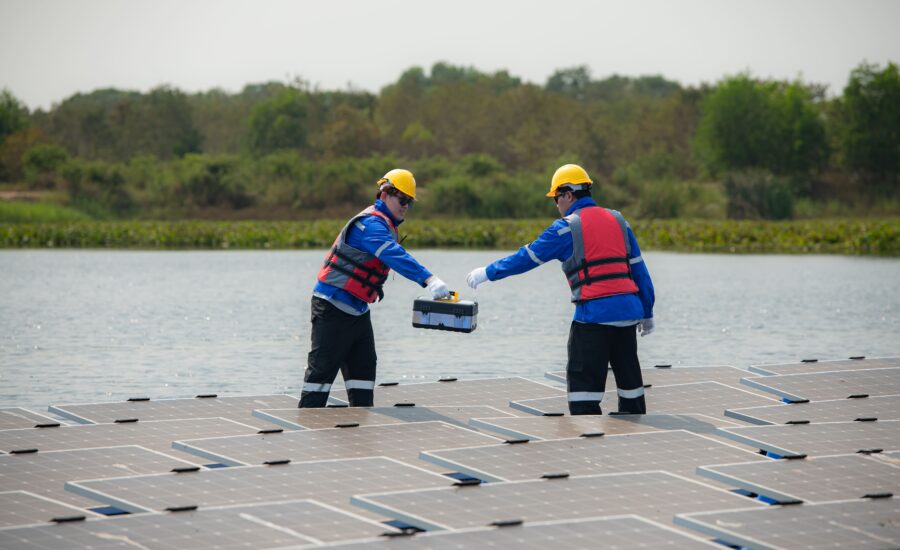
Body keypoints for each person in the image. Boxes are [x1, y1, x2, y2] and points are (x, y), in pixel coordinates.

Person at [466, 164, 655, 415]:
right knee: (631, 390)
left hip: (593, 318)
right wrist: (648, 311)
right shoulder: (619, 221)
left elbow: (527, 257)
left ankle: (589, 445)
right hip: (628, 315)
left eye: (556, 198)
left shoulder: (566, 228)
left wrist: (487, 273)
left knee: (583, 396)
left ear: (568, 195)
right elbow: (639, 269)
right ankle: (633, 438)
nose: (556, 205)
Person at [300, 169, 450, 408]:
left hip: (357, 311)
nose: (405, 207)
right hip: (332, 308)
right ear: (385, 194)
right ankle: (305, 426)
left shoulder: (385, 224)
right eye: (402, 200)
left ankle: (359, 434)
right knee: (320, 377)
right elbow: (394, 255)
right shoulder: (370, 226)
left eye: (409, 202)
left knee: (364, 374)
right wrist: (429, 280)